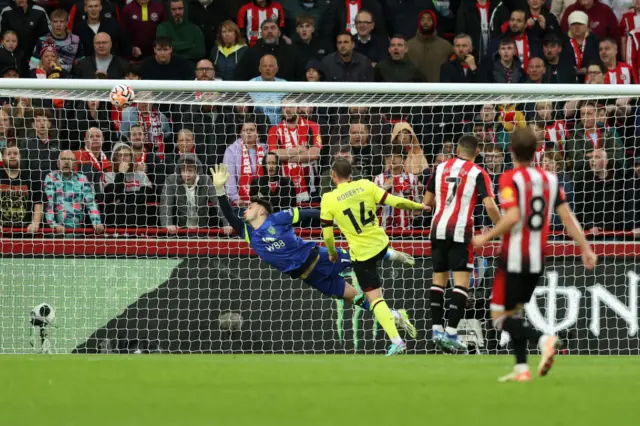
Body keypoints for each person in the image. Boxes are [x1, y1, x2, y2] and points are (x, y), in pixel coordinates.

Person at [211, 162, 417, 339]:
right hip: (310, 277)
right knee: (356, 298)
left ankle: (391, 254)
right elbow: (230, 215)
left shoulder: (278, 219)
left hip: (321, 257)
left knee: (362, 257)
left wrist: (331, 217)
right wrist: (220, 191)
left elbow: (308, 213)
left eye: (250, 206)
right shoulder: (250, 235)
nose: (246, 209)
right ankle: (395, 315)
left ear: (262, 210)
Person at [471, 127, 597, 382]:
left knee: (498, 317)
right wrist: (585, 247)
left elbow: (514, 216)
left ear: (512, 151)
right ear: (537, 150)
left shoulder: (509, 178)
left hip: (515, 255)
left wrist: (485, 236)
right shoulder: (551, 180)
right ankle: (521, 370)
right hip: (538, 256)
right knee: (515, 312)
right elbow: (567, 217)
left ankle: (544, 340)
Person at [320, 157, 428, 355]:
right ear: (351, 174)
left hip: (362, 254)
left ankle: (397, 342)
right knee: (381, 253)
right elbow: (395, 201)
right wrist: (419, 206)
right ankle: (395, 255)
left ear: (333, 175)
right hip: (380, 243)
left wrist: (333, 253)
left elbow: (327, 235)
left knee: (375, 300)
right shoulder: (366, 185)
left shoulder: (328, 199)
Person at [422, 135, 501, 352]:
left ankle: (436, 329)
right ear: (478, 152)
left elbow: (427, 202)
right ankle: (451, 333)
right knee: (461, 284)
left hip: (437, 229)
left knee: (438, 279)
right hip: (460, 231)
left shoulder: (439, 168)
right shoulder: (478, 172)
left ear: (457, 148)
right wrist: (502, 227)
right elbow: (490, 205)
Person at [267, 99, 322, 203]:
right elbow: (273, 155)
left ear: (298, 108)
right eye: (284, 107)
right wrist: (299, 150)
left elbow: (314, 154)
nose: (287, 110)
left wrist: (285, 156)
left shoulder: (313, 126)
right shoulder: (274, 130)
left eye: (291, 106)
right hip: (285, 188)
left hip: (311, 186)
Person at [44, 150, 105, 234]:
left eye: (70, 159)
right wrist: (53, 225)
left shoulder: (82, 179)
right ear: (58, 163)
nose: (66, 162)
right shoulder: (51, 177)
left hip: (77, 230)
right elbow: (49, 203)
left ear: (75, 164)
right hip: (56, 231)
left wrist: (97, 223)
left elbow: (91, 203)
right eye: (63, 159)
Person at [159, 153, 224, 233]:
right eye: (184, 171)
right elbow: (165, 204)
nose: (187, 174)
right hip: (180, 230)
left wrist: (228, 223)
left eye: (190, 171)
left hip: (202, 229)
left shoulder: (206, 180)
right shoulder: (171, 180)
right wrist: (167, 224)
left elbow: (219, 202)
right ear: (179, 170)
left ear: (196, 171)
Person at [233, 19, 305, 81]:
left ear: (279, 32)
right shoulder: (251, 52)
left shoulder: (292, 52)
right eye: (266, 28)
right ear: (261, 33)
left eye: (273, 28)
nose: (269, 31)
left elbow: (301, 77)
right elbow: (239, 77)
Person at [101, 143, 153, 226]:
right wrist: (121, 173)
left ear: (131, 157)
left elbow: (145, 197)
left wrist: (121, 198)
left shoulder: (141, 175)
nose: (123, 158)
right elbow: (111, 196)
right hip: (115, 222)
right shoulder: (108, 175)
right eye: (119, 155)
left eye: (126, 155)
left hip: (138, 220)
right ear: (115, 158)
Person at [222, 119, 269, 207]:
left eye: (251, 130)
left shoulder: (265, 149)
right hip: (240, 202)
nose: (248, 133)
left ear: (257, 133)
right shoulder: (231, 150)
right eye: (245, 130)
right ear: (240, 133)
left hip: (264, 201)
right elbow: (229, 176)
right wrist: (235, 198)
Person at [373, 148, 421, 230]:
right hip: (382, 228)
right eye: (389, 156)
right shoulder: (378, 179)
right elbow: (373, 205)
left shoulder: (412, 179)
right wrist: (384, 188)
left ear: (403, 159)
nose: (392, 159)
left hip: (404, 227)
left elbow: (417, 206)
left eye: (396, 156)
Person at [0, 142, 42, 232]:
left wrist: (35, 223)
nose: (12, 156)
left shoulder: (32, 176)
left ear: (20, 156)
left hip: (26, 231)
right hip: (2, 232)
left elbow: (38, 202)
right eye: (8, 154)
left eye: (15, 153)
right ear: (2, 157)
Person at [406, 10, 452, 83]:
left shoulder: (446, 47)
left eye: (429, 19)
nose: (425, 22)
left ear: (434, 22)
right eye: (423, 19)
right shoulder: (408, 46)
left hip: (438, 92)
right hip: (415, 92)